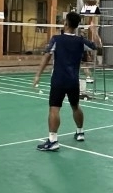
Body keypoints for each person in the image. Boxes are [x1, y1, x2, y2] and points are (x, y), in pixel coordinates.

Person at [31, 11, 99, 151]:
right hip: (73, 81)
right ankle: (80, 132)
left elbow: (47, 56)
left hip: (59, 80)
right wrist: (94, 31)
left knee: (54, 109)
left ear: (66, 23)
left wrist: (38, 75)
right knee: (75, 106)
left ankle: (53, 140)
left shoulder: (56, 39)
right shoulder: (81, 41)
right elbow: (98, 46)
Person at [79, 0, 101, 83]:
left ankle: (88, 77)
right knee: (83, 64)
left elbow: (97, 46)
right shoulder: (79, 31)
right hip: (79, 48)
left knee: (85, 64)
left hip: (83, 49)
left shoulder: (84, 37)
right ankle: (86, 77)